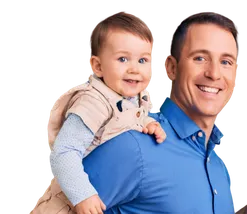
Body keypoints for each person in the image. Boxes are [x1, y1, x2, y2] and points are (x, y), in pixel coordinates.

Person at [73, 10, 240, 213]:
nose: (214, 73)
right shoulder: (132, 143)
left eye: (226, 62)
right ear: (171, 68)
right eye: (200, 58)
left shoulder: (219, 167)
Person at [31, 10, 166, 214]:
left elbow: (124, 119)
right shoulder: (93, 102)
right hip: (65, 203)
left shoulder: (135, 97)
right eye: (122, 59)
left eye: (143, 60)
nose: (134, 69)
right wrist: (82, 194)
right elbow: (64, 152)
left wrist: (146, 123)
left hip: (103, 195)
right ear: (98, 66)